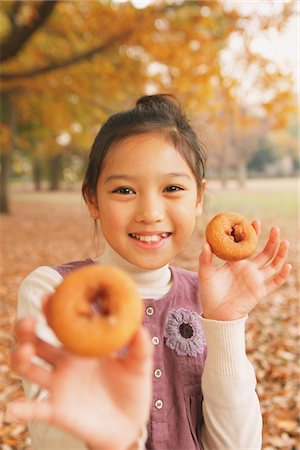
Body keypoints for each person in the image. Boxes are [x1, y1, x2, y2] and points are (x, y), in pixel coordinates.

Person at [7, 94, 291, 450]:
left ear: (199, 198)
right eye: (124, 190)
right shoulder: (54, 292)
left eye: (172, 188)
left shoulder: (206, 298)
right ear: (93, 199)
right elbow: (51, 434)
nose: (150, 212)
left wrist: (226, 323)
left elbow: (236, 445)